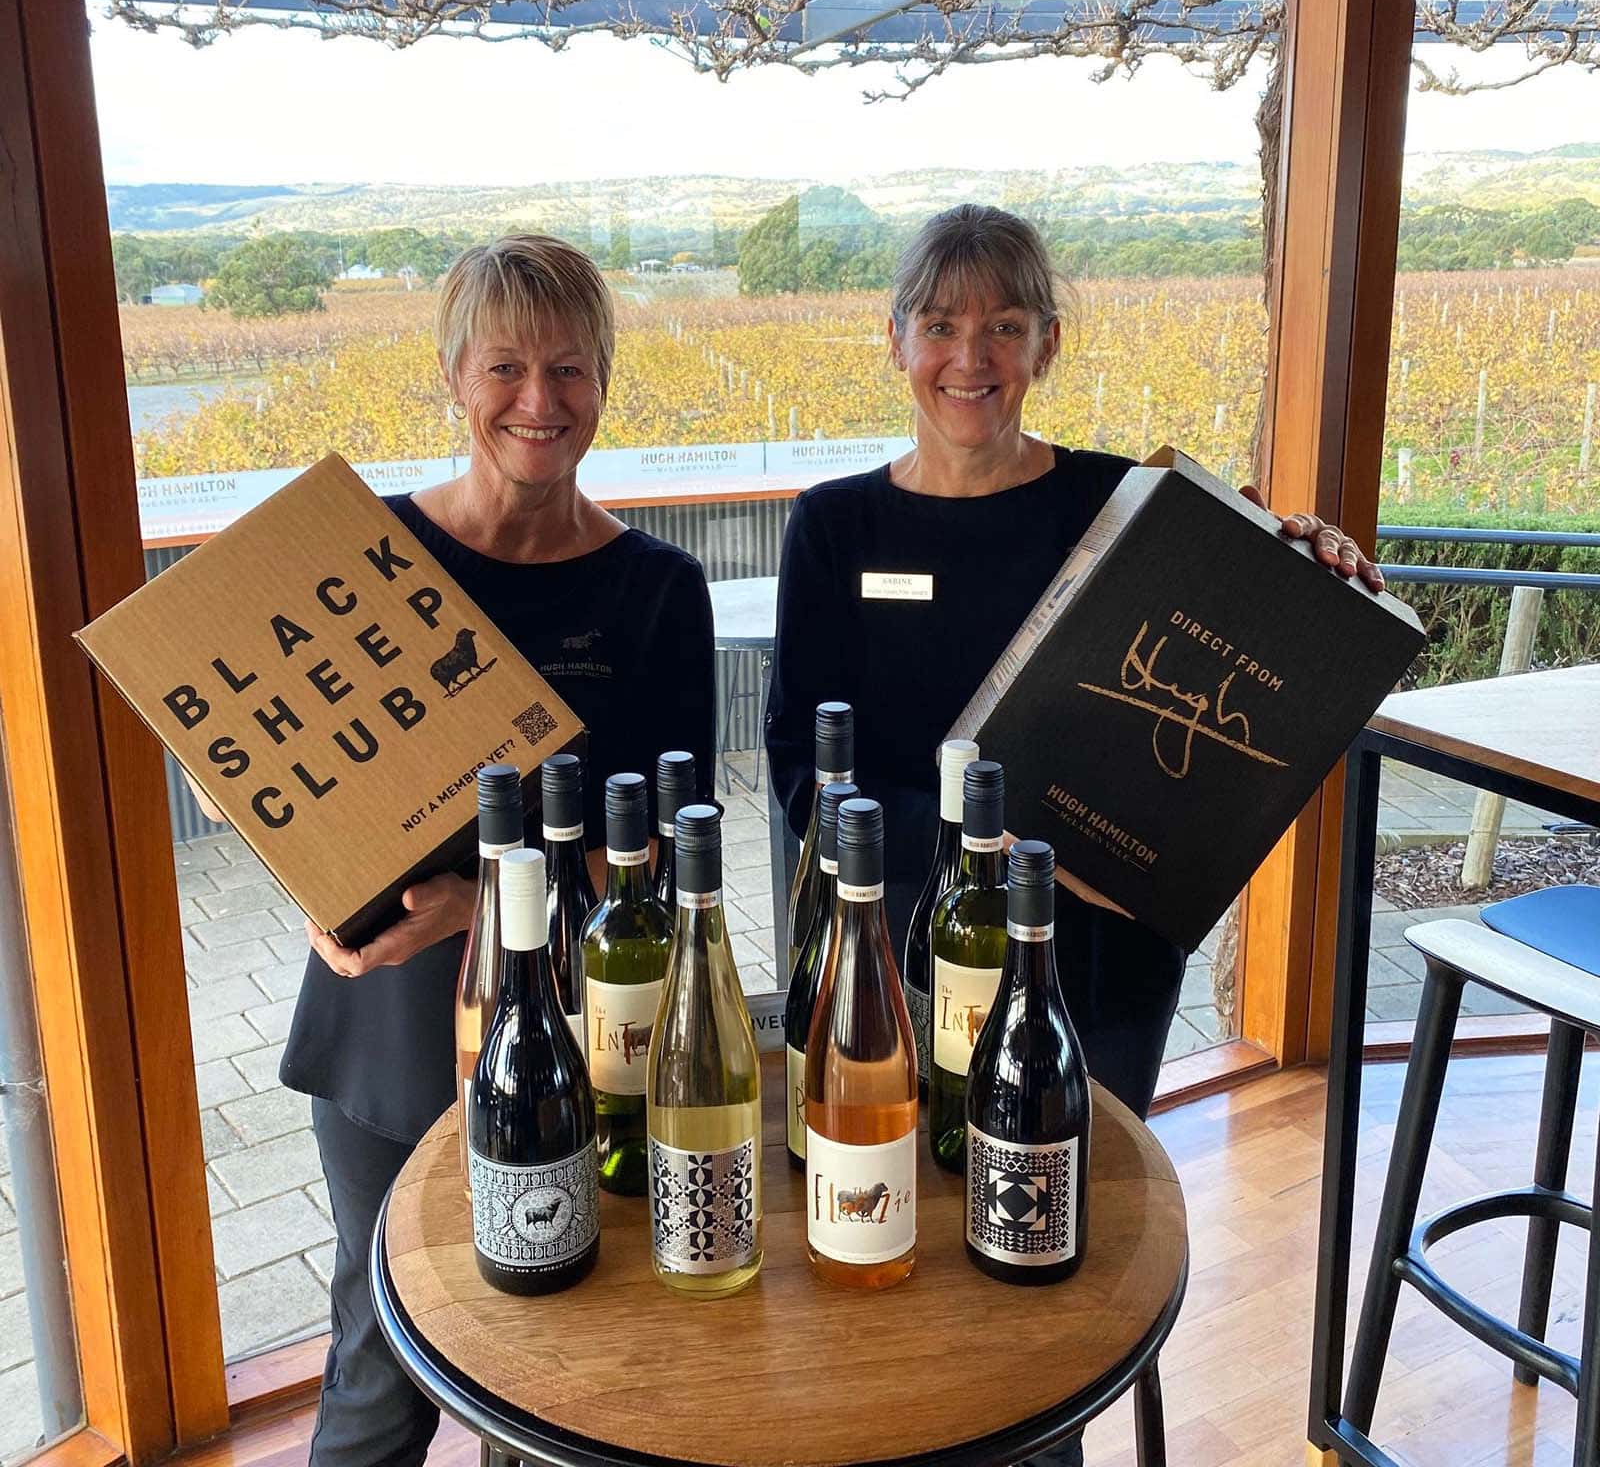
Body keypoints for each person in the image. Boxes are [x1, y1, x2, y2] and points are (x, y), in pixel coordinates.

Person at [204, 235, 716, 1466]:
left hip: (592, 1037)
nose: (537, 402)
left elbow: (658, 869)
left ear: (604, 381)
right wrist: (277, 830)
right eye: (503, 366)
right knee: (381, 1366)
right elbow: (248, 762)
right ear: (452, 375)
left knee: (570, 1359)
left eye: (569, 368)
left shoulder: (659, 589)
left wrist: (484, 897)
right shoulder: (361, 553)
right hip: (387, 1022)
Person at [766, 203, 1385, 1124]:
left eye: (1003, 330)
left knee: (1079, 1202)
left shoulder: (1122, 503)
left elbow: (1238, 673)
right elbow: (799, 776)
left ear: (1045, 346)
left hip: (1098, 939)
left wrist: (1308, 571)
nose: (970, 360)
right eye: (940, 327)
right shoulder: (834, 525)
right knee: (916, 1203)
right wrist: (969, 847)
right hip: (903, 940)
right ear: (896, 342)